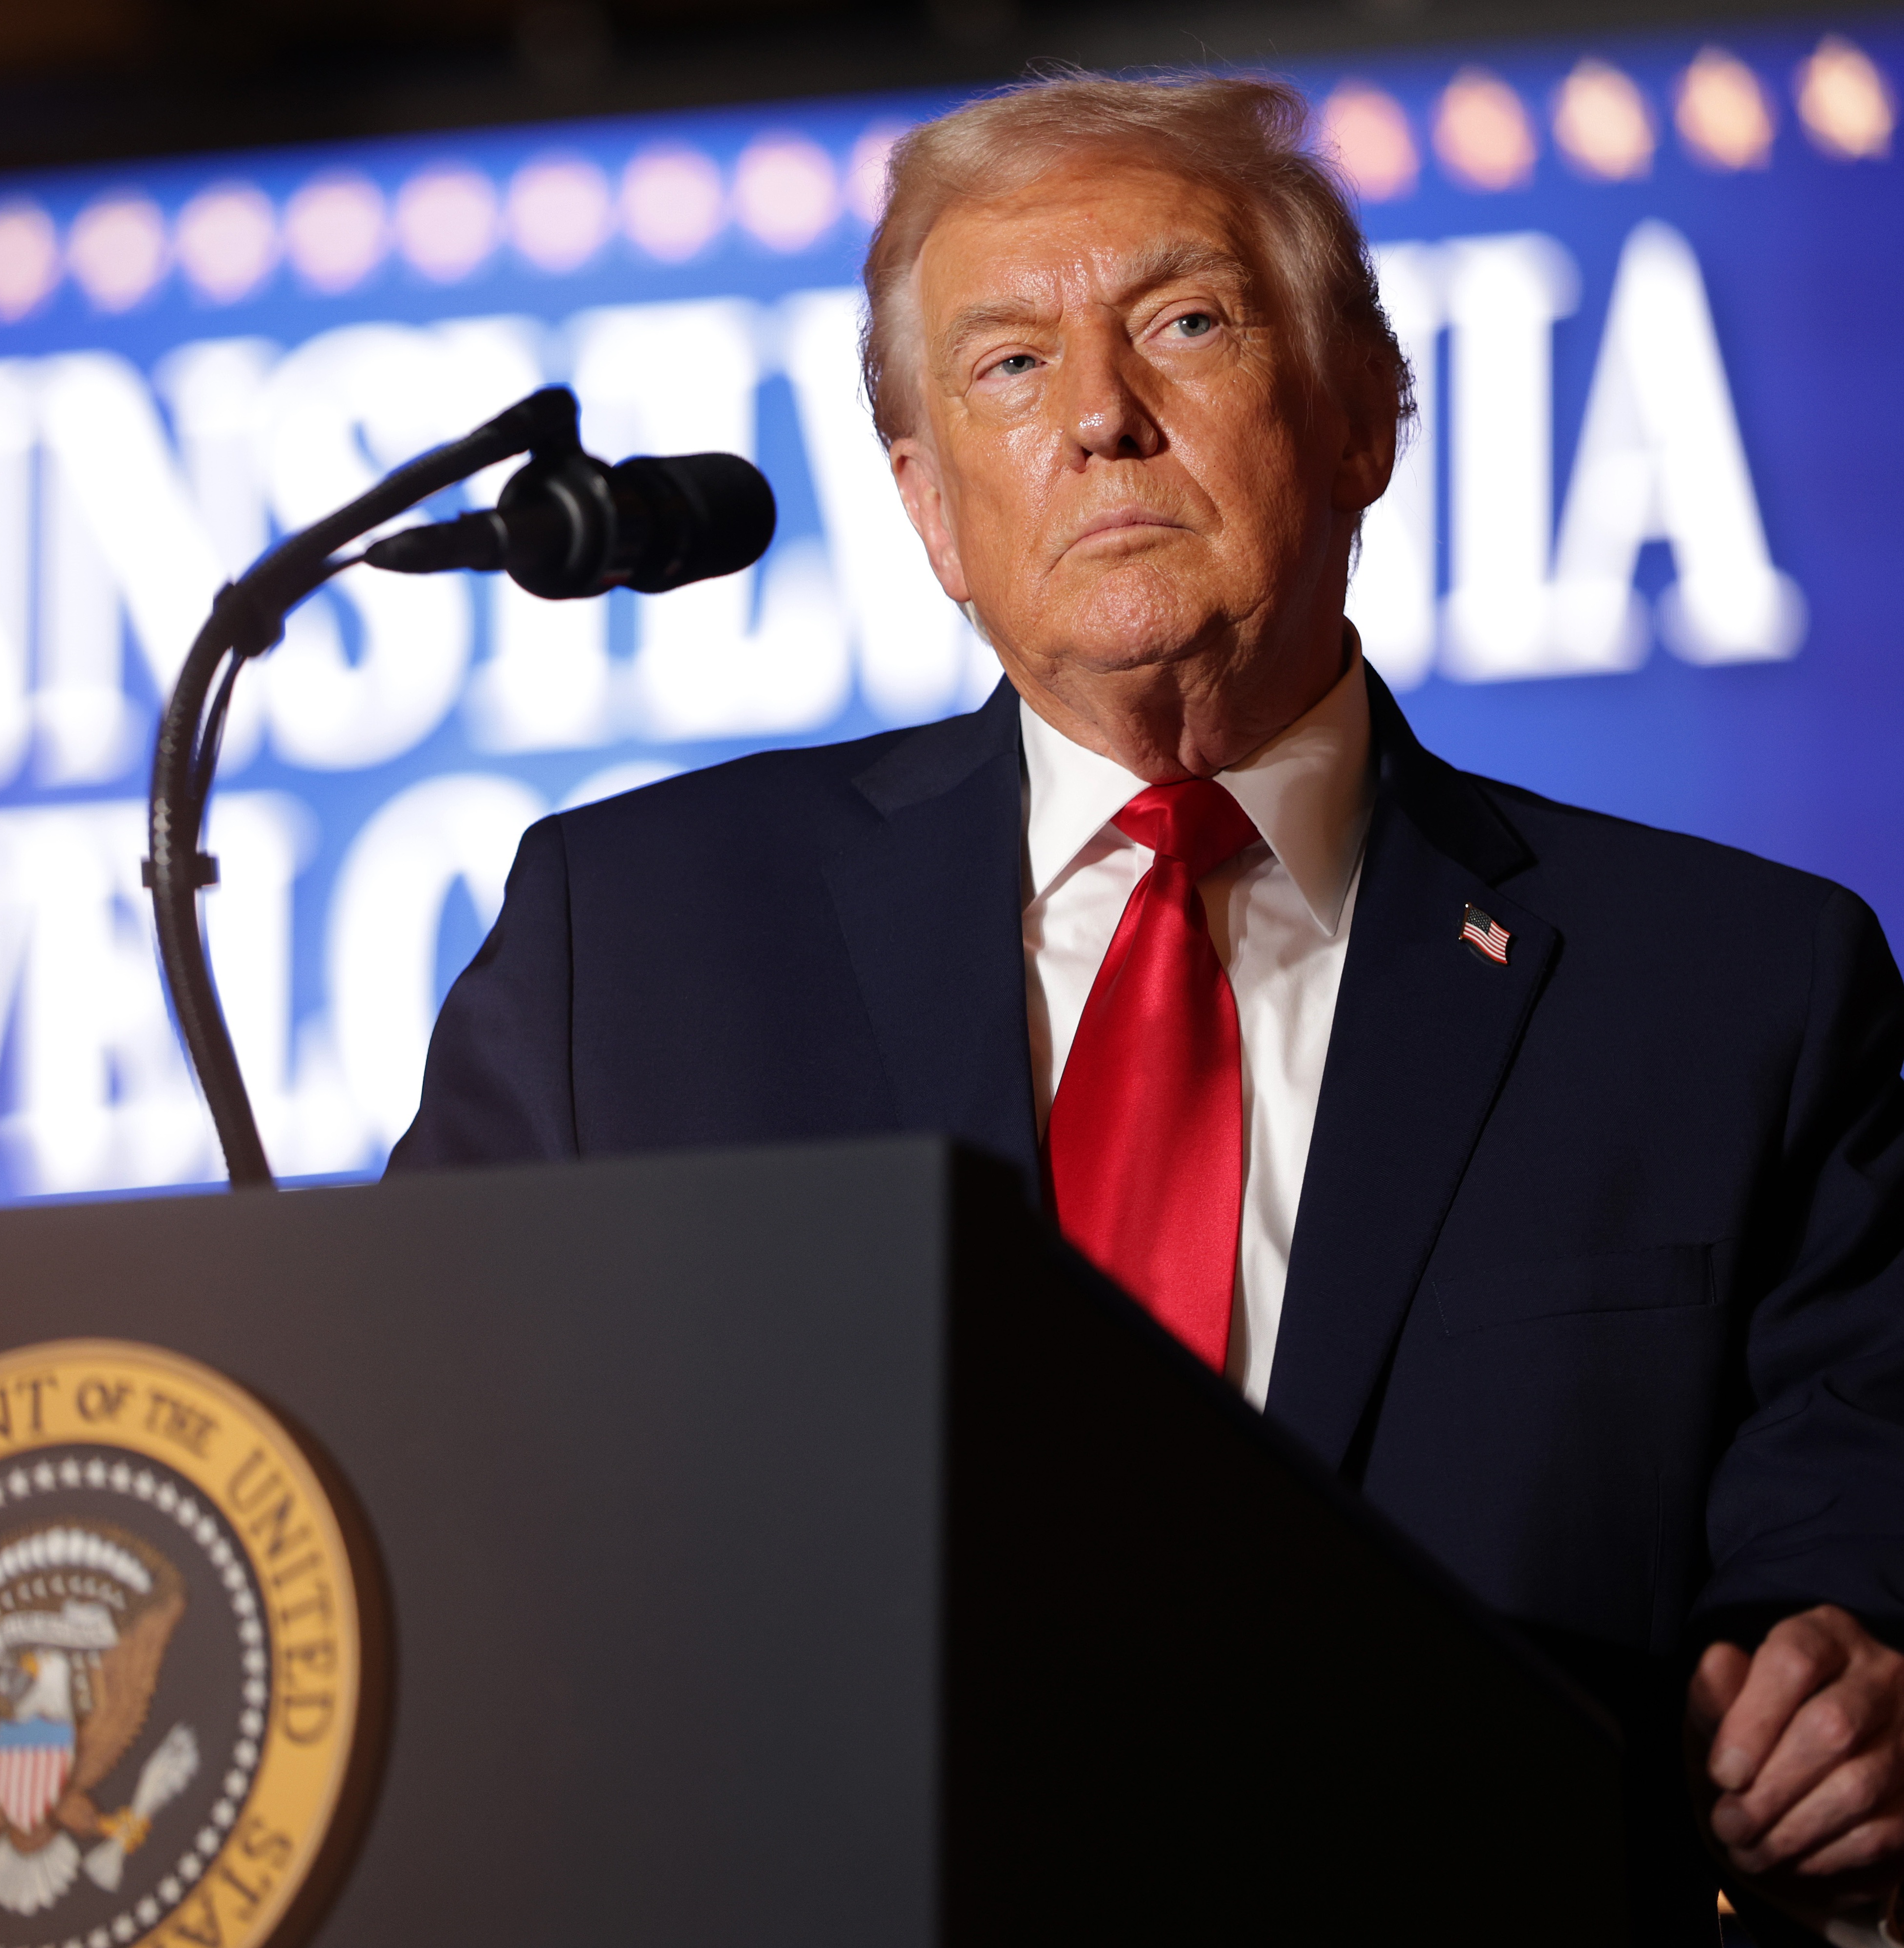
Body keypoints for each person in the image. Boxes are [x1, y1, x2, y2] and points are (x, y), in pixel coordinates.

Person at [387, 70, 1904, 1945]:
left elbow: (1848, 1553)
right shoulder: (625, 941)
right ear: (935, 512)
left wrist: (1846, 1682)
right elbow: (427, 1514)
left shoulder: (1737, 989)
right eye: (1008, 368)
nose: (1102, 417)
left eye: (1185, 324)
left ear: (1364, 418)